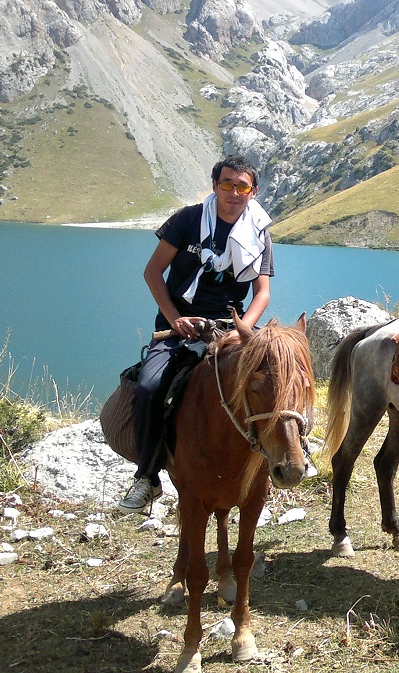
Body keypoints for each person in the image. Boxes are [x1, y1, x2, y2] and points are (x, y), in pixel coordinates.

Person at [117, 155, 275, 513]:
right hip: (179, 325)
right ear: (215, 185)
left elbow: (262, 293)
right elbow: (153, 272)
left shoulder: (260, 229)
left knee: (282, 373)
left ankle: (292, 455)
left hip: (230, 325)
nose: (234, 192)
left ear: (253, 191)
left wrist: (244, 329)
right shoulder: (188, 220)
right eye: (227, 184)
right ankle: (147, 476)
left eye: (242, 186)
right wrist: (173, 319)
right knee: (150, 387)